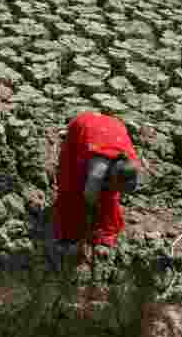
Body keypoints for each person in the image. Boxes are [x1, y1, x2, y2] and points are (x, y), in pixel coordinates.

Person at [53, 112, 141, 262]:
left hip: (113, 128)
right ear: (112, 175)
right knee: (71, 188)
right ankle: (68, 235)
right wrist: (86, 222)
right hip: (83, 125)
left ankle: (103, 231)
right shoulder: (97, 171)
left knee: (109, 197)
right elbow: (89, 197)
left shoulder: (131, 164)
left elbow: (113, 194)